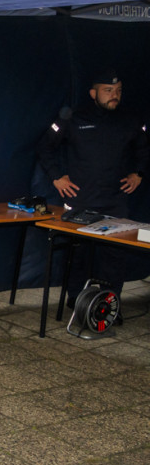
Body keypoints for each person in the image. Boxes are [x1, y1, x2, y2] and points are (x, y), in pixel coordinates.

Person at [36, 69, 149, 304]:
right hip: (81, 198)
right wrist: (57, 177)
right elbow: (45, 147)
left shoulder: (130, 119)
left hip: (115, 198)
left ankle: (110, 302)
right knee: (78, 252)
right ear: (93, 93)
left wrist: (138, 173)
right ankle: (77, 299)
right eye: (108, 91)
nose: (114, 95)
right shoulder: (73, 117)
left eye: (118, 91)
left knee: (115, 254)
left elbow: (143, 149)